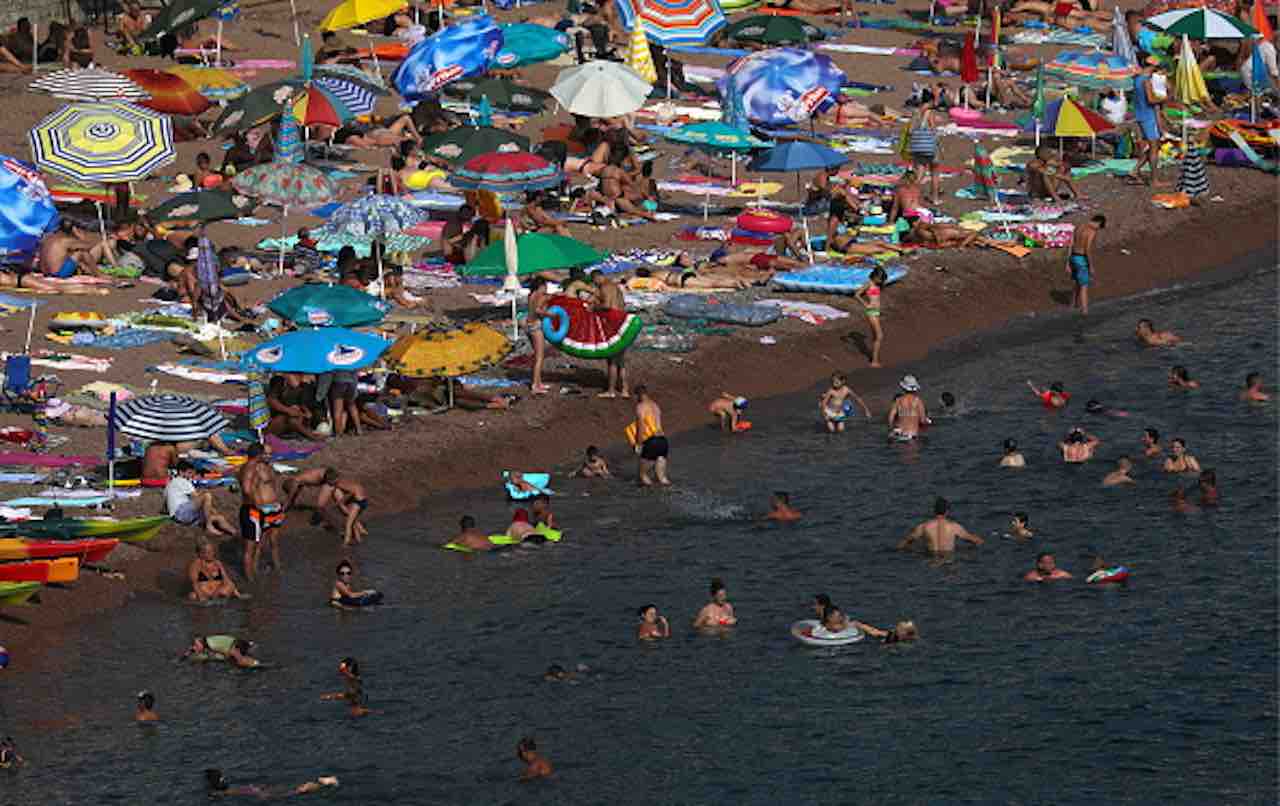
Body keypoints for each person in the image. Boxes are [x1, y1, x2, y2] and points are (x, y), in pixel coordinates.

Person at [237, 443, 284, 580]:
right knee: (254, 545)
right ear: (259, 454)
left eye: (269, 454)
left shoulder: (266, 468)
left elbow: (272, 486)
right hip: (255, 510)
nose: (267, 456)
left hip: (271, 508)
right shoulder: (252, 468)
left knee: (271, 541)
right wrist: (256, 504)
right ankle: (251, 577)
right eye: (265, 453)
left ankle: (271, 569)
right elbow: (246, 489)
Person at [167, 461, 236, 538]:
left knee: (218, 517)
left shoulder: (171, 483)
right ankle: (209, 526)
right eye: (189, 473)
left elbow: (167, 502)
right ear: (181, 472)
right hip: (181, 513)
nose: (191, 476)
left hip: (180, 515)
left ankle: (234, 532)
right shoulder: (183, 481)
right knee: (207, 496)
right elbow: (196, 497)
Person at [897, 497, 984, 554]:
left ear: (934, 511)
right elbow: (977, 541)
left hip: (931, 561)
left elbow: (902, 544)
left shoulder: (923, 527)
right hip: (948, 560)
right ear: (947, 511)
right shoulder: (954, 527)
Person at [1127, 57, 1163, 186]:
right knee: (1154, 148)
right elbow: (1151, 100)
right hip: (1148, 116)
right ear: (1153, 67)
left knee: (1152, 146)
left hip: (1140, 115)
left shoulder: (1136, 79)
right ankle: (1154, 180)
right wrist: (1165, 98)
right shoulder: (1146, 81)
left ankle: (1135, 170)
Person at [593, 272, 630, 398]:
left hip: (613, 321)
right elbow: (623, 305)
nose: (595, 285)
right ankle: (625, 390)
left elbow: (607, 305)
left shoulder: (604, 286)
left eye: (595, 282)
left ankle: (611, 390)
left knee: (612, 359)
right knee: (621, 360)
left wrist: (595, 307)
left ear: (597, 278)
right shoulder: (615, 286)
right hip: (622, 319)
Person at [628, 386, 670, 486]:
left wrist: (638, 445)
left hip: (652, 442)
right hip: (663, 441)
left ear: (638, 395)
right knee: (662, 479)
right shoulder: (655, 405)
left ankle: (648, 499)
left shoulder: (640, 406)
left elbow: (641, 427)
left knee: (642, 476)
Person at [317, 468, 369, 546]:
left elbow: (352, 492)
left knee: (348, 523)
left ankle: (346, 543)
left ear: (333, 480)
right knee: (353, 521)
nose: (329, 484)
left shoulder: (339, 484)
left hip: (358, 502)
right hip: (363, 500)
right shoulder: (344, 481)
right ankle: (359, 540)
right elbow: (356, 488)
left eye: (329, 482)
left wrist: (342, 501)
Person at [204, 768, 338, 797]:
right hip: (257, 789)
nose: (224, 778)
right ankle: (322, 783)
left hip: (258, 791)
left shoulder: (219, 790)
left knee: (296, 792)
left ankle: (322, 783)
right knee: (295, 791)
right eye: (222, 777)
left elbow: (218, 792)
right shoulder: (223, 788)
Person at [1067, 215, 1105, 315]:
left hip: (1073, 257)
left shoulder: (1079, 226)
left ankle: (1072, 304)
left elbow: (1071, 244)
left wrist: (1068, 262)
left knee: (1076, 282)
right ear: (1098, 223)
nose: (1098, 229)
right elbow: (1087, 249)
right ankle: (1085, 311)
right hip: (1081, 259)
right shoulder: (1091, 232)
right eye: (1099, 227)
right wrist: (1091, 265)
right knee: (1084, 285)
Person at [266, 373, 321, 441]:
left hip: (291, 423)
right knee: (288, 418)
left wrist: (306, 411)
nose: (299, 379)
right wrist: (288, 410)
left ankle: (307, 434)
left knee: (298, 417)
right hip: (275, 423)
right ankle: (312, 436)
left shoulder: (302, 385)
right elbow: (271, 400)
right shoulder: (279, 381)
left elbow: (301, 404)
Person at [906, 104, 942, 205]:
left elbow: (910, 132)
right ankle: (935, 198)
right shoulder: (929, 113)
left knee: (919, 175)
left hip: (918, 148)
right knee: (935, 173)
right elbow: (933, 130)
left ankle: (913, 198)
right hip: (929, 148)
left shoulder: (915, 114)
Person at [855, 267, 887, 367]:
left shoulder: (876, 284)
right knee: (880, 336)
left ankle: (874, 358)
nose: (881, 281)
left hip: (876, 312)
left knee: (875, 336)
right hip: (871, 312)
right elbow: (857, 295)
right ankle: (874, 361)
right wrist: (866, 305)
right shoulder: (868, 283)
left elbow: (876, 299)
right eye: (880, 279)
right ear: (875, 277)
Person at [526, 277, 551, 395]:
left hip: (529, 325)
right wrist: (550, 314)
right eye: (545, 286)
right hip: (536, 327)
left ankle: (538, 382)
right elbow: (538, 310)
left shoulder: (531, 295)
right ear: (540, 286)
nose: (546, 289)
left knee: (537, 356)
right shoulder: (539, 296)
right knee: (540, 357)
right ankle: (535, 385)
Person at [887, 375, 929, 441]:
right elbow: (923, 420)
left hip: (901, 436)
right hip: (913, 436)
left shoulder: (898, 401)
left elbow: (890, 419)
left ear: (903, 388)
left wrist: (892, 428)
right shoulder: (918, 401)